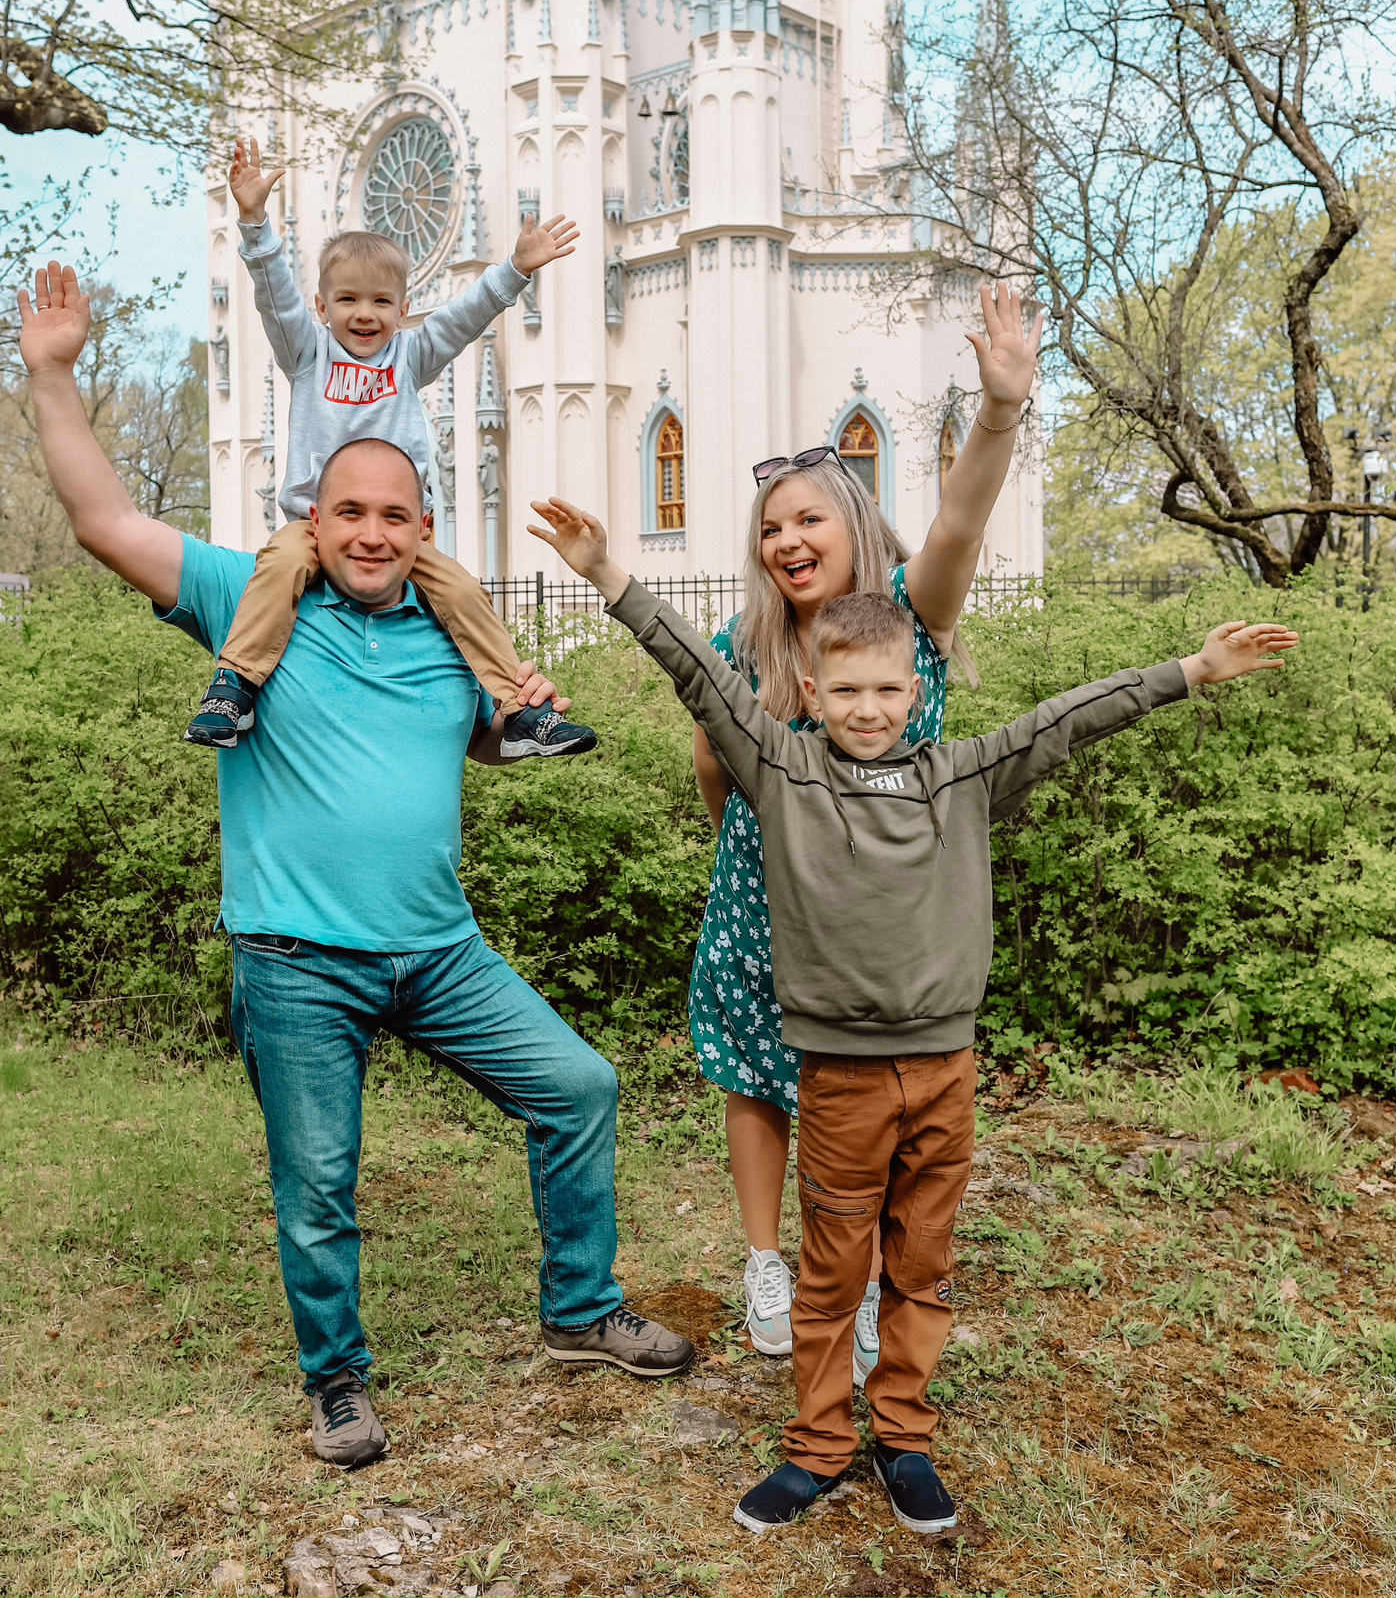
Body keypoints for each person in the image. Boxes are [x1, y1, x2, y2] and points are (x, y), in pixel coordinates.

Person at [18, 261, 696, 1472]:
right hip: (296, 960)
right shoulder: (249, 603)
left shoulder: (453, 634)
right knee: (319, 1186)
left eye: (395, 516)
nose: (372, 533)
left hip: (439, 951)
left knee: (578, 1087)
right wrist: (53, 374)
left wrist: (528, 715)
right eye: (349, 515)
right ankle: (336, 1384)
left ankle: (579, 1310)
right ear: (311, 525)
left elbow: (477, 749)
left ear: (423, 530)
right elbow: (102, 523)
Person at [527, 494, 1298, 1535]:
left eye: (887, 688)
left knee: (920, 1269)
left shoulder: (962, 776)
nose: (867, 707)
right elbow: (699, 680)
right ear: (812, 689)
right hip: (838, 1078)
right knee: (833, 1268)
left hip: (944, 1073)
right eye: (845, 688)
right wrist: (608, 577)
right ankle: (815, 1450)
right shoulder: (786, 772)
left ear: (914, 690)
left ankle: (905, 1440)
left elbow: (1070, 717)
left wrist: (1190, 672)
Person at [693, 282, 1038, 1380]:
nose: (788, 540)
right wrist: (754, 855)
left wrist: (996, 412)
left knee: (883, 1104)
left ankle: (883, 1285)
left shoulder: (908, 614)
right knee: (756, 1079)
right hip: (760, 900)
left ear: (850, 523)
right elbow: (711, 768)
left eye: (807, 518)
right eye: (770, 529)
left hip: (886, 928)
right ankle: (765, 1266)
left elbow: (962, 520)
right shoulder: (740, 642)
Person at [187, 137, 595, 762]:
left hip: (404, 536)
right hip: (314, 527)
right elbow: (273, 292)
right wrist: (253, 223)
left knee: (461, 590)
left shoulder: (411, 356)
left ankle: (519, 711)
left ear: (403, 308)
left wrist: (514, 270)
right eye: (347, 299)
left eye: (381, 301)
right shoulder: (307, 353)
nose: (364, 313)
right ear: (322, 307)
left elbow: (464, 315)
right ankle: (235, 685)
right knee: (276, 568)